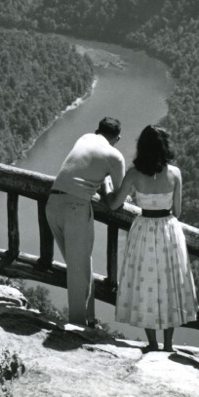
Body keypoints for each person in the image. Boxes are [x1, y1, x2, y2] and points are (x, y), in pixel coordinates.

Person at [108, 124, 198, 352]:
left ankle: (152, 343)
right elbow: (177, 212)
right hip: (169, 231)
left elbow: (115, 204)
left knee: (143, 283)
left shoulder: (134, 174)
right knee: (170, 284)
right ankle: (168, 345)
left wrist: (104, 188)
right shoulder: (175, 173)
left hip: (144, 231)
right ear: (164, 147)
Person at [46, 117, 126, 327]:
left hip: (52, 203)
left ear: (97, 130)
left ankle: (89, 320)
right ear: (117, 138)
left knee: (79, 266)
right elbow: (118, 199)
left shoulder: (85, 137)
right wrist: (106, 183)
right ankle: (77, 327)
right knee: (78, 271)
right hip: (75, 208)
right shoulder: (114, 156)